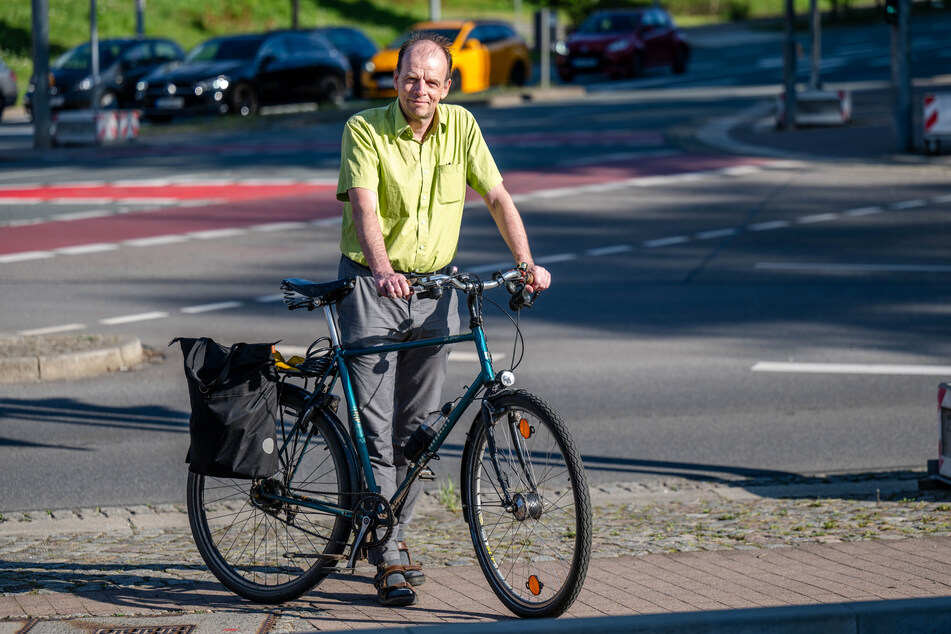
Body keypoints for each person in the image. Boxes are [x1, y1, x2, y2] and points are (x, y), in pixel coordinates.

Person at [334, 31, 551, 607]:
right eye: (410, 78)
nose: (420, 89)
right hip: (372, 288)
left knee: (419, 429)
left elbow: (498, 197)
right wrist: (382, 270)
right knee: (376, 429)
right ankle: (390, 551)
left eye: (432, 81)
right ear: (396, 79)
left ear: (447, 86)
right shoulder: (365, 129)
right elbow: (365, 207)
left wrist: (526, 264)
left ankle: (388, 535)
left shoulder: (462, 128)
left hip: (434, 291)